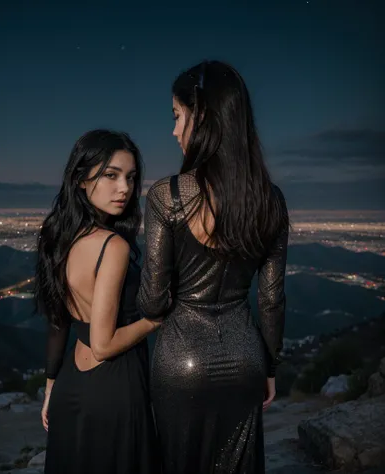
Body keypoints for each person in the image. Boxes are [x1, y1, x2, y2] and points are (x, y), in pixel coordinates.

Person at [137, 60, 289, 474]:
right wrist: (269, 366)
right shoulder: (271, 201)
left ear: (200, 117)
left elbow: (152, 302)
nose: (173, 130)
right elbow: (272, 301)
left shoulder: (167, 196)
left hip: (180, 362)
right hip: (246, 360)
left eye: (177, 116)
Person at [35, 129, 160, 474]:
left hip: (71, 386)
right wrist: (154, 320)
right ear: (80, 179)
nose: (125, 188)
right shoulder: (113, 246)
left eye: (131, 178)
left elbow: (58, 320)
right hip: (115, 387)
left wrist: (51, 386)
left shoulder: (58, 236)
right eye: (111, 175)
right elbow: (103, 344)